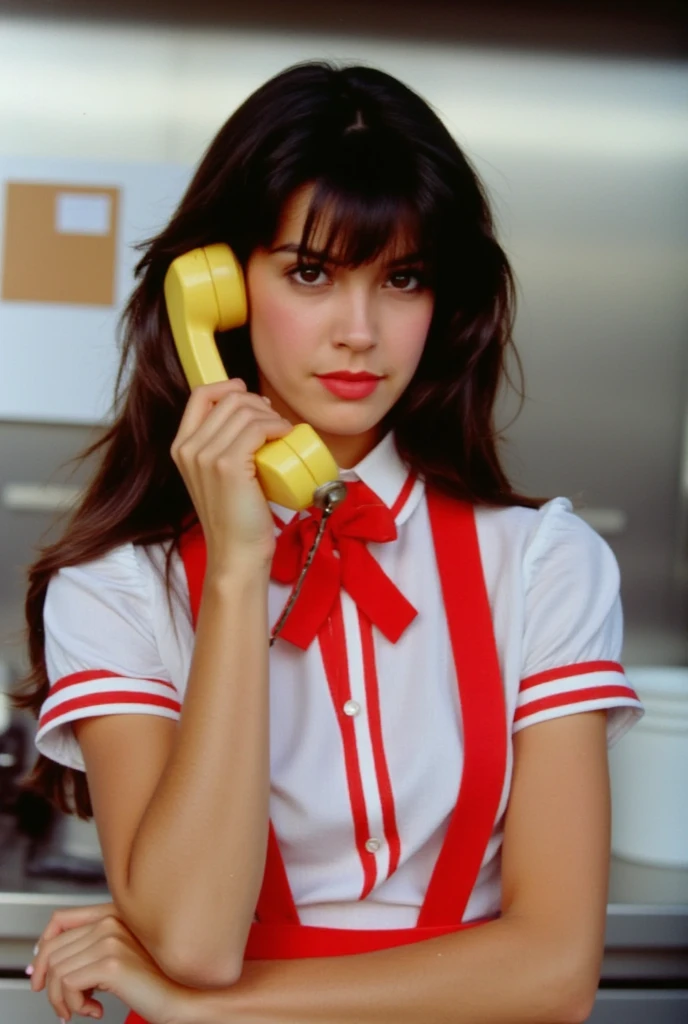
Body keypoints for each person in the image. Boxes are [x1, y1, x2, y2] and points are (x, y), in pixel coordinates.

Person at [15, 60, 643, 1024]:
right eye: (310, 272)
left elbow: (554, 973)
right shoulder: (119, 587)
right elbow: (193, 937)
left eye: (402, 278)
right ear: (216, 290)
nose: (360, 332)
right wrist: (235, 570)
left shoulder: (545, 563)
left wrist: (200, 1012)